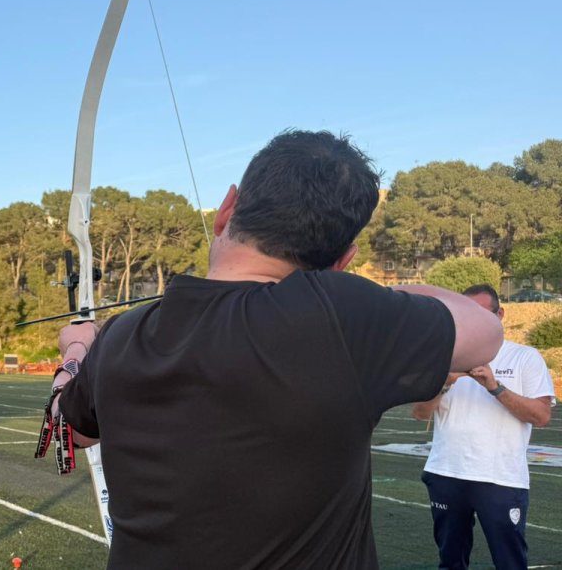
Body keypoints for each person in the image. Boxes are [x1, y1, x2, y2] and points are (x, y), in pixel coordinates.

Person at [49, 130, 504, 569]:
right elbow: (485, 331)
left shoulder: (122, 334)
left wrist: (76, 348)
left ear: (226, 211)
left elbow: (74, 432)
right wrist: (384, 295)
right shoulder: (343, 316)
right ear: (343, 260)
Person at [411, 284, 555, 569]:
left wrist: (494, 386)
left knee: (510, 561)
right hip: (446, 473)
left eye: (480, 313)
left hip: (500, 478)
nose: (471, 321)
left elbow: (541, 416)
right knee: (450, 560)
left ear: (500, 314)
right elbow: (419, 413)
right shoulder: (442, 358)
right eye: (464, 313)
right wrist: (444, 383)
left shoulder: (524, 357)